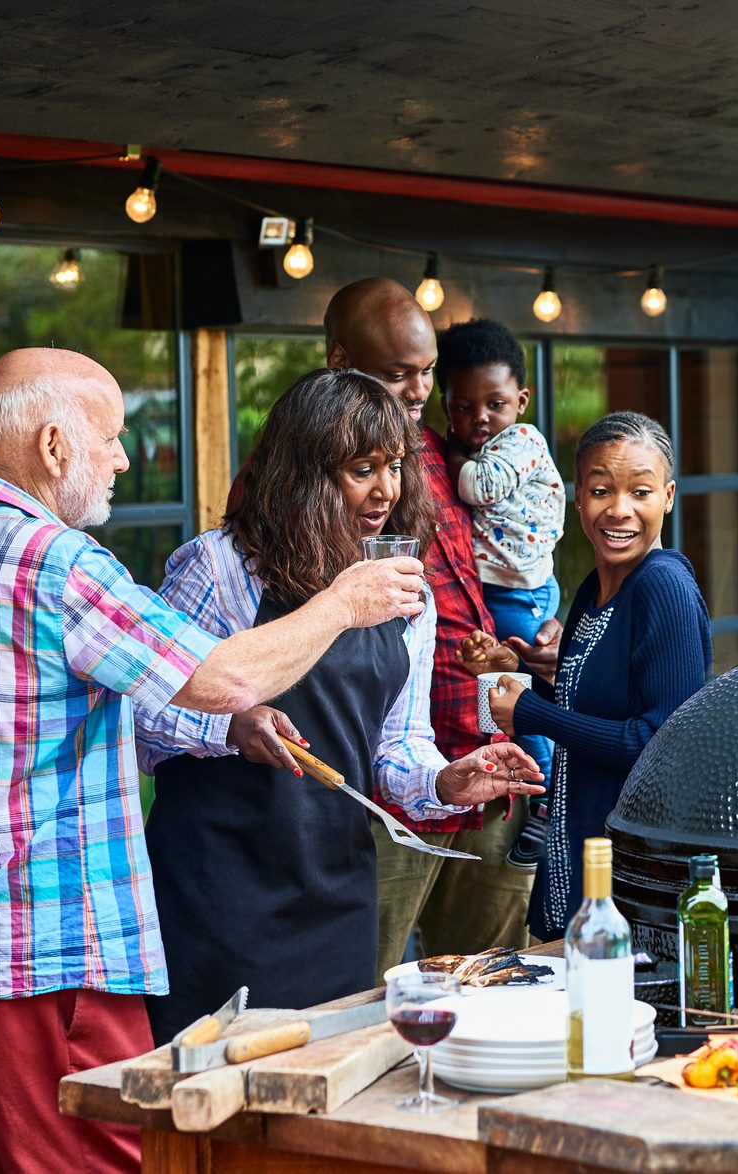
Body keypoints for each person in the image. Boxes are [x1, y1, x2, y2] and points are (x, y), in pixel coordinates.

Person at [0, 348, 428, 1174]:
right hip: (51, 960)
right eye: (112, 436)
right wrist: (343, 603)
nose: (125, 457)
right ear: (55, 445)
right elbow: (219, 678)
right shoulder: (55, 565)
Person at [146, 370, 543, 1037]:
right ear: (303, 473)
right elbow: (142, 715)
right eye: (362, 469)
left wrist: (444, 779)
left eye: (395, 466)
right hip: (219, 893)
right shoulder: (220, 569)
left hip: (336, 890)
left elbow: (396, 745)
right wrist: (229, 724)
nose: (385, 490)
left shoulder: (400, 587)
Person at [316, 279, 548, 974]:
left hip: (484, 758)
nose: (417, 390)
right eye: (398, 374)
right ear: (338, 362)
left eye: (424, 374)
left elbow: (487, 564)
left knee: (494, 978)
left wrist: (532, 625)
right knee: (368, 989)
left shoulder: (442, 452)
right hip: (392, 779)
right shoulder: (310, 465)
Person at [487, 412, 711, 940]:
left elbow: (657, 743)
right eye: (601, 490)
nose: (619, 510)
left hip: (636, 875)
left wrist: (530, 712)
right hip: (576, 850)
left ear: (669, 496)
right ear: (577, 496)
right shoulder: (592, 588)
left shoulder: (665, 589)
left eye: (641, 492)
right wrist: (520, 672)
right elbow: (590, 712)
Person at [436, 317, 565, 873]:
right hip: (516, 586)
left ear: (522, 400)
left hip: (521, 591)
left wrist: (459, 461)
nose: (478, 419)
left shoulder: (522, 442)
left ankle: (546, 797)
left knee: (513, 696)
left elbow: (480, 487)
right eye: (462, 407)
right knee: (510, 689)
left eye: (494, 404)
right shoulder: (487, 440)